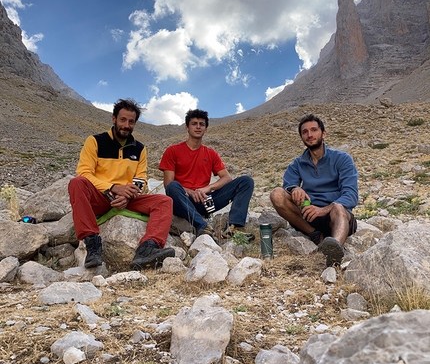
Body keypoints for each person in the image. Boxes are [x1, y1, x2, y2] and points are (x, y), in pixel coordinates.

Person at [68, 98, 175, 270]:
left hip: (127, 198)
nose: (126, 125)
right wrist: (113, 188)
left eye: (131, 122)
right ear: (114, 119)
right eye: (123, 120)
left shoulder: (139, 149)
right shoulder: (95, 141)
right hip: (101, 197)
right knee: (77, 183)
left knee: (165, 201)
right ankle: (93, 245)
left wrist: (128, 195)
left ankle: (148, 248)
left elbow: (141, 181)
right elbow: (84, 173)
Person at [270, 114, 358, 266]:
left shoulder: (342, 159)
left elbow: (351, 195)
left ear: (323, 133)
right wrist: (295, 188)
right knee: (276, 194)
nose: (309, 135)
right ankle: (315, 235)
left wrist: (323, 210)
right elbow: (287, 185)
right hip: (309, 216)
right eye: (305, 132)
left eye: (314, 130)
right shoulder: (298, 163)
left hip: (335, 217)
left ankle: (334, 253)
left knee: (338, 207)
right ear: (302, 137)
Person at [159, 109, 255, 241]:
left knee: (246, 181)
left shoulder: (211, 153)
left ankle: (234, 228)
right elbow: (168, 184)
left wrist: (207, 188)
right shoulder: (173, 151)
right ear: (187, 127)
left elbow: (227, 178)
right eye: (194, 123)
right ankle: (203, 226)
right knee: (173, 186)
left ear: (206, 129)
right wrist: (191, 192)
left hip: (204, 200)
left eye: (201, 124)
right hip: (182, 202)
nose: (198, 127)